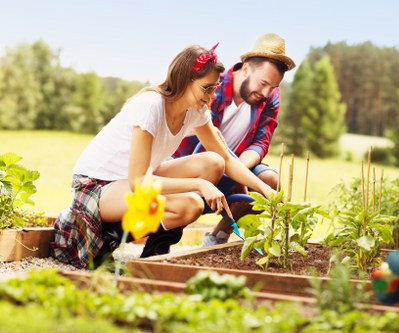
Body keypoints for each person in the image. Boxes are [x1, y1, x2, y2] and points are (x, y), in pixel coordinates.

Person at [50, 43, 275, 269]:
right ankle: (110, 235)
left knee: (213, 163)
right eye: (207, 88)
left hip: (136, 178)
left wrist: (266, 190)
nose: (212, 97)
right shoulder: (151, 105)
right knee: (191, 205)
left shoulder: (196, 110)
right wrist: (200, 184)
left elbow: (225, 159)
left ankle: (151, 258)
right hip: (96, 185)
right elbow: (138, 182)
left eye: (215, 88)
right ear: (185, 80)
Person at [173, 33, 295, 246]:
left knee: (269, 181)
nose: (266, 93)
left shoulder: (270, 98)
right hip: (193, 164)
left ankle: (216, 238)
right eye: (263, 83)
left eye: (273, 87)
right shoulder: (212, 86)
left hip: (234, 165)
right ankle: (160, 238)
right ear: (246, 68)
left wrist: (240, 171)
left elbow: (261, 142)